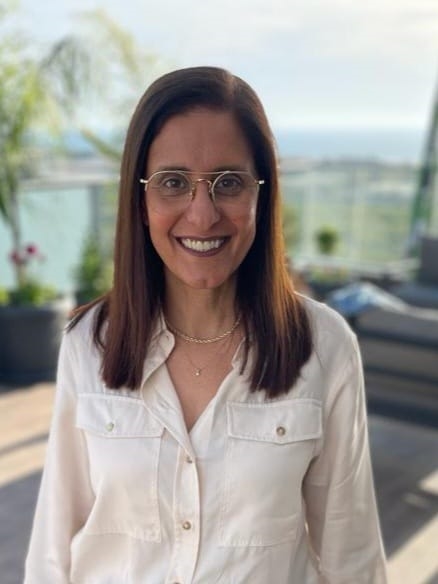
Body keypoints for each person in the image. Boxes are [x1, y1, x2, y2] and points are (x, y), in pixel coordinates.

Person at [24, 66, 387, 583]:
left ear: (262, 194)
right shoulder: (90, 342)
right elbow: (53, 546)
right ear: (140, 199)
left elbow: (353, 555)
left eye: (228, 183)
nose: (202, 215)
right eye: (173, 183)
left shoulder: (324, 346)